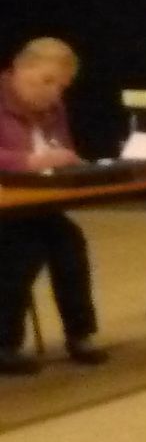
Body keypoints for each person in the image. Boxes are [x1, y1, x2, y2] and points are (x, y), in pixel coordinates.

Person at [1, 38, 109, 373]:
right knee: (21, 249)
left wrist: (69, 162)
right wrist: (30, 161)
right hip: (6, 205)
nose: (53, 92)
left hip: (35, 201)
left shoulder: (54, 108)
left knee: (70, 243)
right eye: (46, 81)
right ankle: (4, 344)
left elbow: (60, 148)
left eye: (61, 86)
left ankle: (80, 334)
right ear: (19, 69)